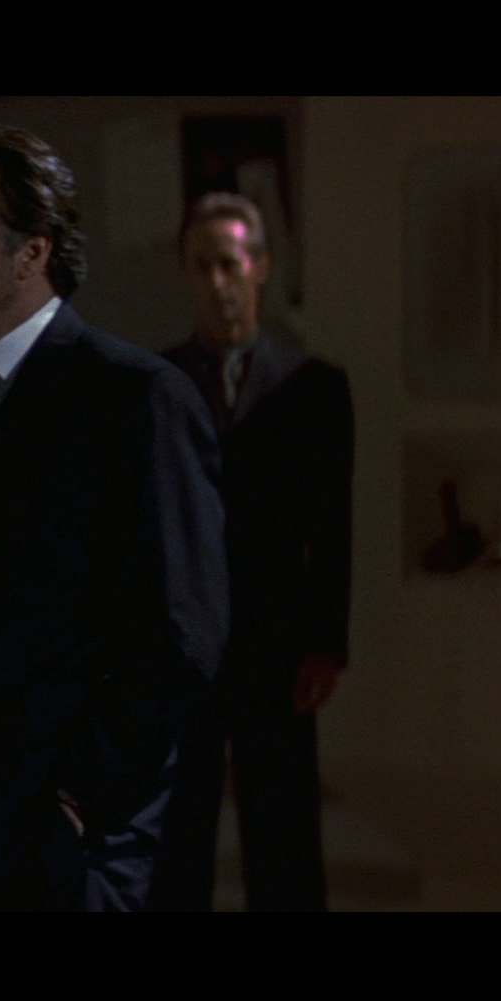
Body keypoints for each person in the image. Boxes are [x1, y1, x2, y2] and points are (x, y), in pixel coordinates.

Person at [0, 124, 228, 911]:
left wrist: (78, 801)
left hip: (59, 856)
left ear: (32, 251)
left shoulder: (135, 401)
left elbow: (179, 637)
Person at [150, 192, 353, 912]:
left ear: (260, 267)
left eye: (230, 264)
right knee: (179, 833)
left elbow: (332, 526)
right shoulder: (157, 389)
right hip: (185, 646)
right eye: (202, 265)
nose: (217, 282)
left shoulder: (313, 388)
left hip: (276, 640)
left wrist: (326, 643)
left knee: (284, 828)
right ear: (186, 271)